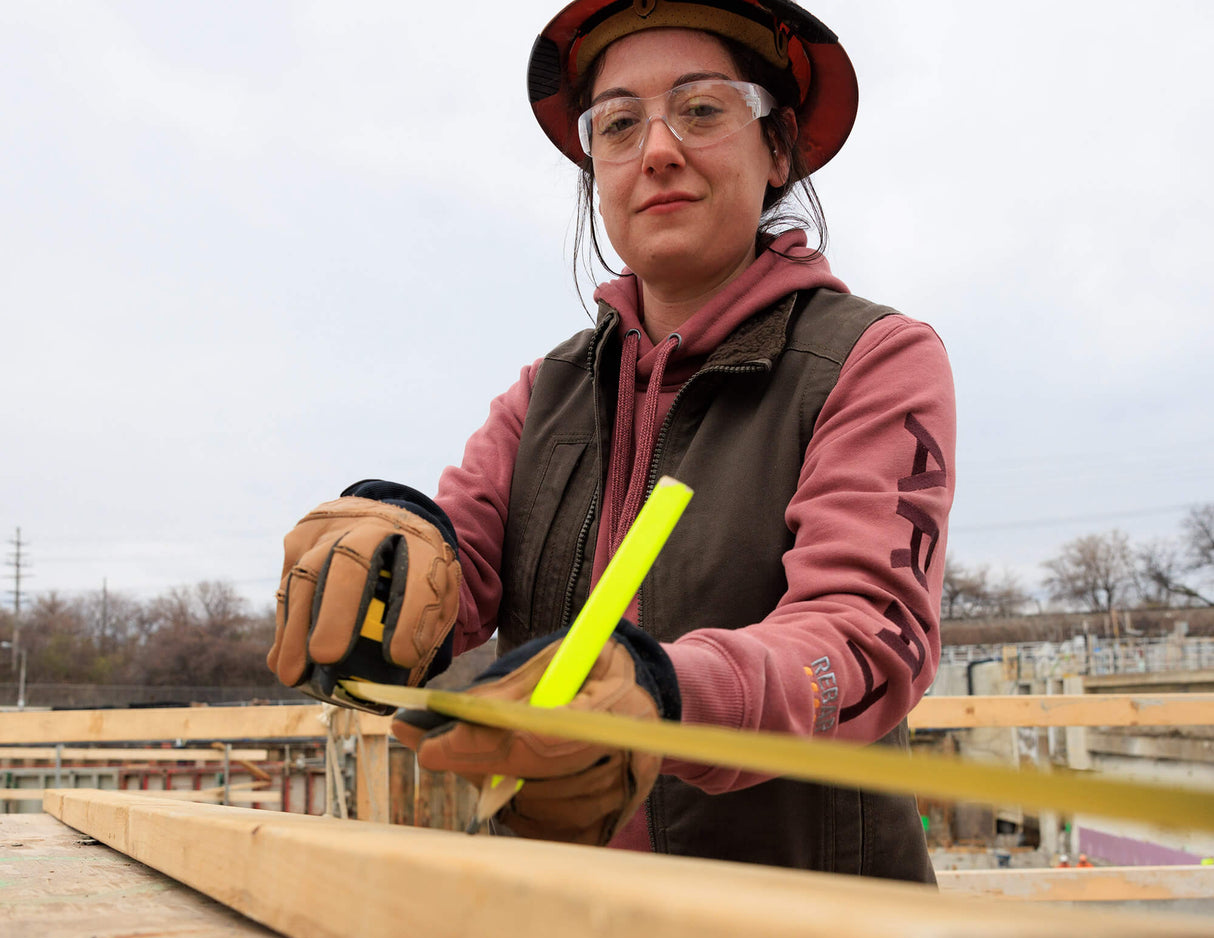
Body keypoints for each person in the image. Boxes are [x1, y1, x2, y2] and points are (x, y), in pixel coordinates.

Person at [268, 0, 956, 884]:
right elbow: (460, 557)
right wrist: (395, 561)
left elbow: (866, 636)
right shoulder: (549, 388)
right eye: (620, 124)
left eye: (702, 109)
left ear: (777, 146)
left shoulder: (871, 359)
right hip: (574, 927)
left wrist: (664, 696)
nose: (657, 150)